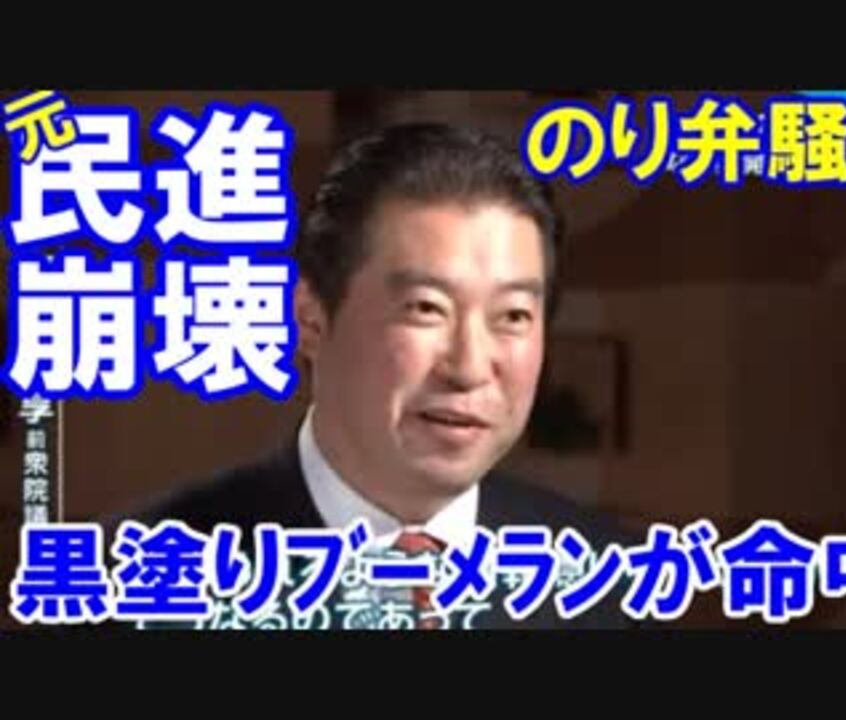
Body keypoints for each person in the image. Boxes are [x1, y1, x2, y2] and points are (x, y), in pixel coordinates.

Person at [116, 122, 639, 630]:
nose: (469, 367)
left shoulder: (602, 580)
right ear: (311, 319)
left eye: (513, 316)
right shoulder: (142, 583)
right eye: (426, 308)